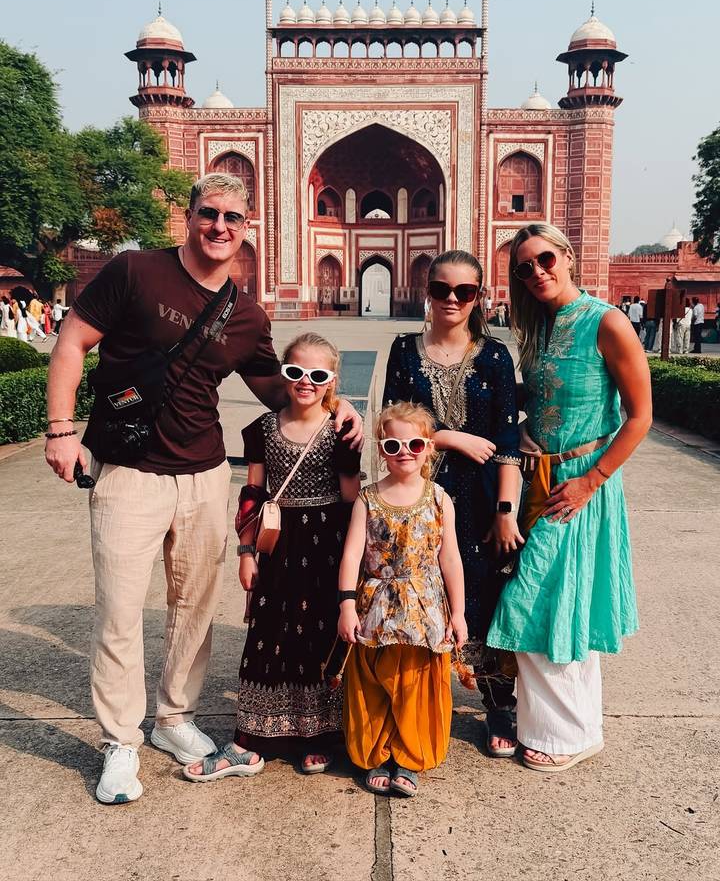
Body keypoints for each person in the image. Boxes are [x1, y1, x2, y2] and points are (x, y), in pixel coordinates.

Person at [44, 172, 362, 805]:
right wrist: (60, 428)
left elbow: (278, 386)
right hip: (130, 471)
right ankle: (119, 742)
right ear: (188, 217)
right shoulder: (135, 272)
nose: (220, 227)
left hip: (204, 473)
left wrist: (337, 400)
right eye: (209, 214)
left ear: (249, 229)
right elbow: (73, 340)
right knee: (119, 612)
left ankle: (174, 718)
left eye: (233, 219)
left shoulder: (245, 315)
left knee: (194, 607)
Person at [486, 223, 652, 773]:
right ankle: (555, 727)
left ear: (568, 257)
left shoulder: (606, 321)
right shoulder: (536, 326)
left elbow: (640, 417)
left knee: (546, 601)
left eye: (545, 259)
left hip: (581, 483)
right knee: (549, 601)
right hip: (541, 475)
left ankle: (574, 733)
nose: (537, 271)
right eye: (525, 266)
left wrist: (591, 481)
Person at [183, 332, 361, 783]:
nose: (306, 382)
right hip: (277, 543)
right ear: (284, 373)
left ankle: (317, 736)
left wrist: (355, 560)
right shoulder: (262, 429)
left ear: (331, 381)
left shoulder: (341, 432)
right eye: (296, 372)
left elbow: (350, 500)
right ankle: (251, 739)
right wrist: (246, 552)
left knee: (320, 635)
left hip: (326, 544)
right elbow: (253, 493)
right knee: (269, 631)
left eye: (317, 375)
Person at [383, 250, 522, 758]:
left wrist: (506, 512)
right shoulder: (404, 350)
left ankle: (498, 705)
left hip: (480, 499)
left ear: (479, 297)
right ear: (427, 290)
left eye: (465, 292)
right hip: (417, 495)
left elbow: (508, 440)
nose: (452, 300)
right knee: (422, 591)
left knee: (484, 594)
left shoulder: (494, 356)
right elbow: (393, 424)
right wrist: (451, 438)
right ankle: (422, 702)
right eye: (442, 289)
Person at [337, 401, 468, 797]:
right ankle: (375, 751)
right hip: (375, 605)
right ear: (382, 450)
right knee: (373, 681)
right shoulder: (367, 498)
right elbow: (352, 553)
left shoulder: (439, 498)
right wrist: (345, 604)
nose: (404, 453)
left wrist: (459, 612)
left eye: (414, 444)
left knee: (416, 682)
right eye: (393, 446)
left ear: (429, 447)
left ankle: (409, 756)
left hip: (424, 607)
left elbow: (450, 557)